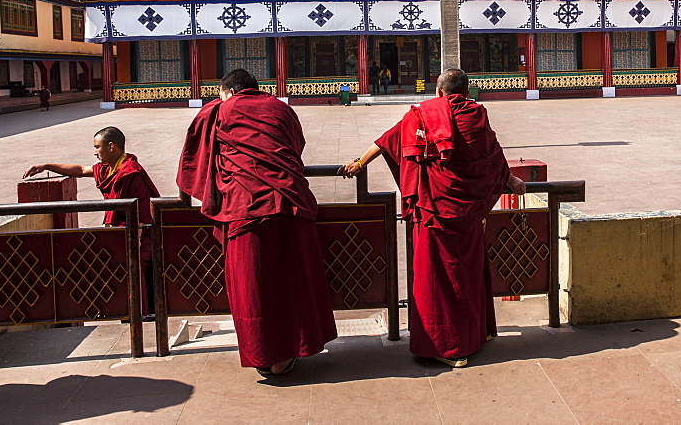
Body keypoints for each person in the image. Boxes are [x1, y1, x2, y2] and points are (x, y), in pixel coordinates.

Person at [339, 68, 525, 368]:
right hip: (467, 215)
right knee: (467, 274)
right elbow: (493, 153)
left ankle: (446, 347)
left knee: (436, 279)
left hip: (434, 210)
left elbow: (389, 139)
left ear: (438, 92)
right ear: (466, 92)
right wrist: (511, 180)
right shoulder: (477, 115)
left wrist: (360, 162)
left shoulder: (422, 114)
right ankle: (473, 337)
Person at [177, 69, 336, 379]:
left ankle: (265, 355)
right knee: (293, 281)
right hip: (290, 202)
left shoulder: (219, 110)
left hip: (244, 207)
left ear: (228, 92)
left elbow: (193, 158)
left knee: (252, 286)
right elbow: (295, 146)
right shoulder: (282, 108)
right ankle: (291, 351)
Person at [23, 126, 159, 315]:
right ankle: (126, 313)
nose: (95, 152)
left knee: (134, 267)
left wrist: (133, 243)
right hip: (120, 232)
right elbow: (80, 170)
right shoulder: (110, 168)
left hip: (139, 235)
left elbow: (140, 212)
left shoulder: (130, 171)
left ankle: (141, 315)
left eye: (97, 147)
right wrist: (45, 166)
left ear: (111, 146)